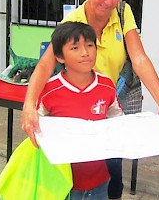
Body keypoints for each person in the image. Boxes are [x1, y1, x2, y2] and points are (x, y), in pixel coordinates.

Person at [21, 0, 159, 200]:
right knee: (73, 171)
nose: (109, 2)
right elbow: (45, 64)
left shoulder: (123, 13)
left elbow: (139, 59)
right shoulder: (73, 21)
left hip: (106, 102)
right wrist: (29, 106)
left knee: (112, 170)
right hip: (74, 105)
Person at [37, 22, 123, 199]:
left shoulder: (106, 85)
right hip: (63, 182)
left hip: (99, 180)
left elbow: (117, 119)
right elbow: (37, 128)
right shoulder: (49, 90)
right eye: (75, 48)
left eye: (90, 45)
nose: (85, 52)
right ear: (60, 57)